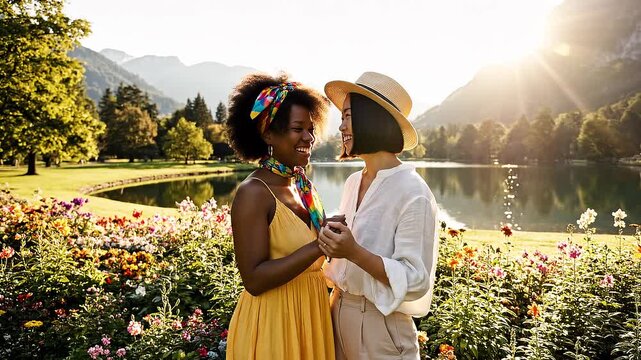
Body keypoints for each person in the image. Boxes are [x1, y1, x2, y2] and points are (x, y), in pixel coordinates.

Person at [319, 72, 439, 359]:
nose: (341, 126)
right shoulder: (352, 183)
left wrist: (353, 252)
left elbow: (415, 279)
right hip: (337, 313)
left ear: (371, 118)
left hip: (381, 327)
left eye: (348, 116)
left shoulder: (413, 191)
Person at [225, 73, 335, 359]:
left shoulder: (303, 188)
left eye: (311, 129)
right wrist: (319, 245)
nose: (309, 138)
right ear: (268, 133)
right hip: (273, 326)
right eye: (298, 128)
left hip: (312, 318)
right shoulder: (254, 192)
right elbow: (254, 279)